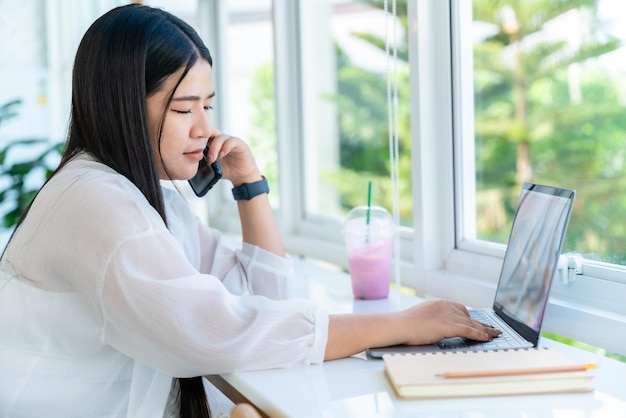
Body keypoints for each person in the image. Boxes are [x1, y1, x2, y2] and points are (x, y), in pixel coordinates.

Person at [0, 4, 500, 418]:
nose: (202, 128)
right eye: (183, 108)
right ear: (124, 106)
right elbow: (217, 330)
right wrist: (399, 325)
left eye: (208, 106)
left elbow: (262, 299)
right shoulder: (98, 203)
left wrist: (249, 184)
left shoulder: (149, 199)